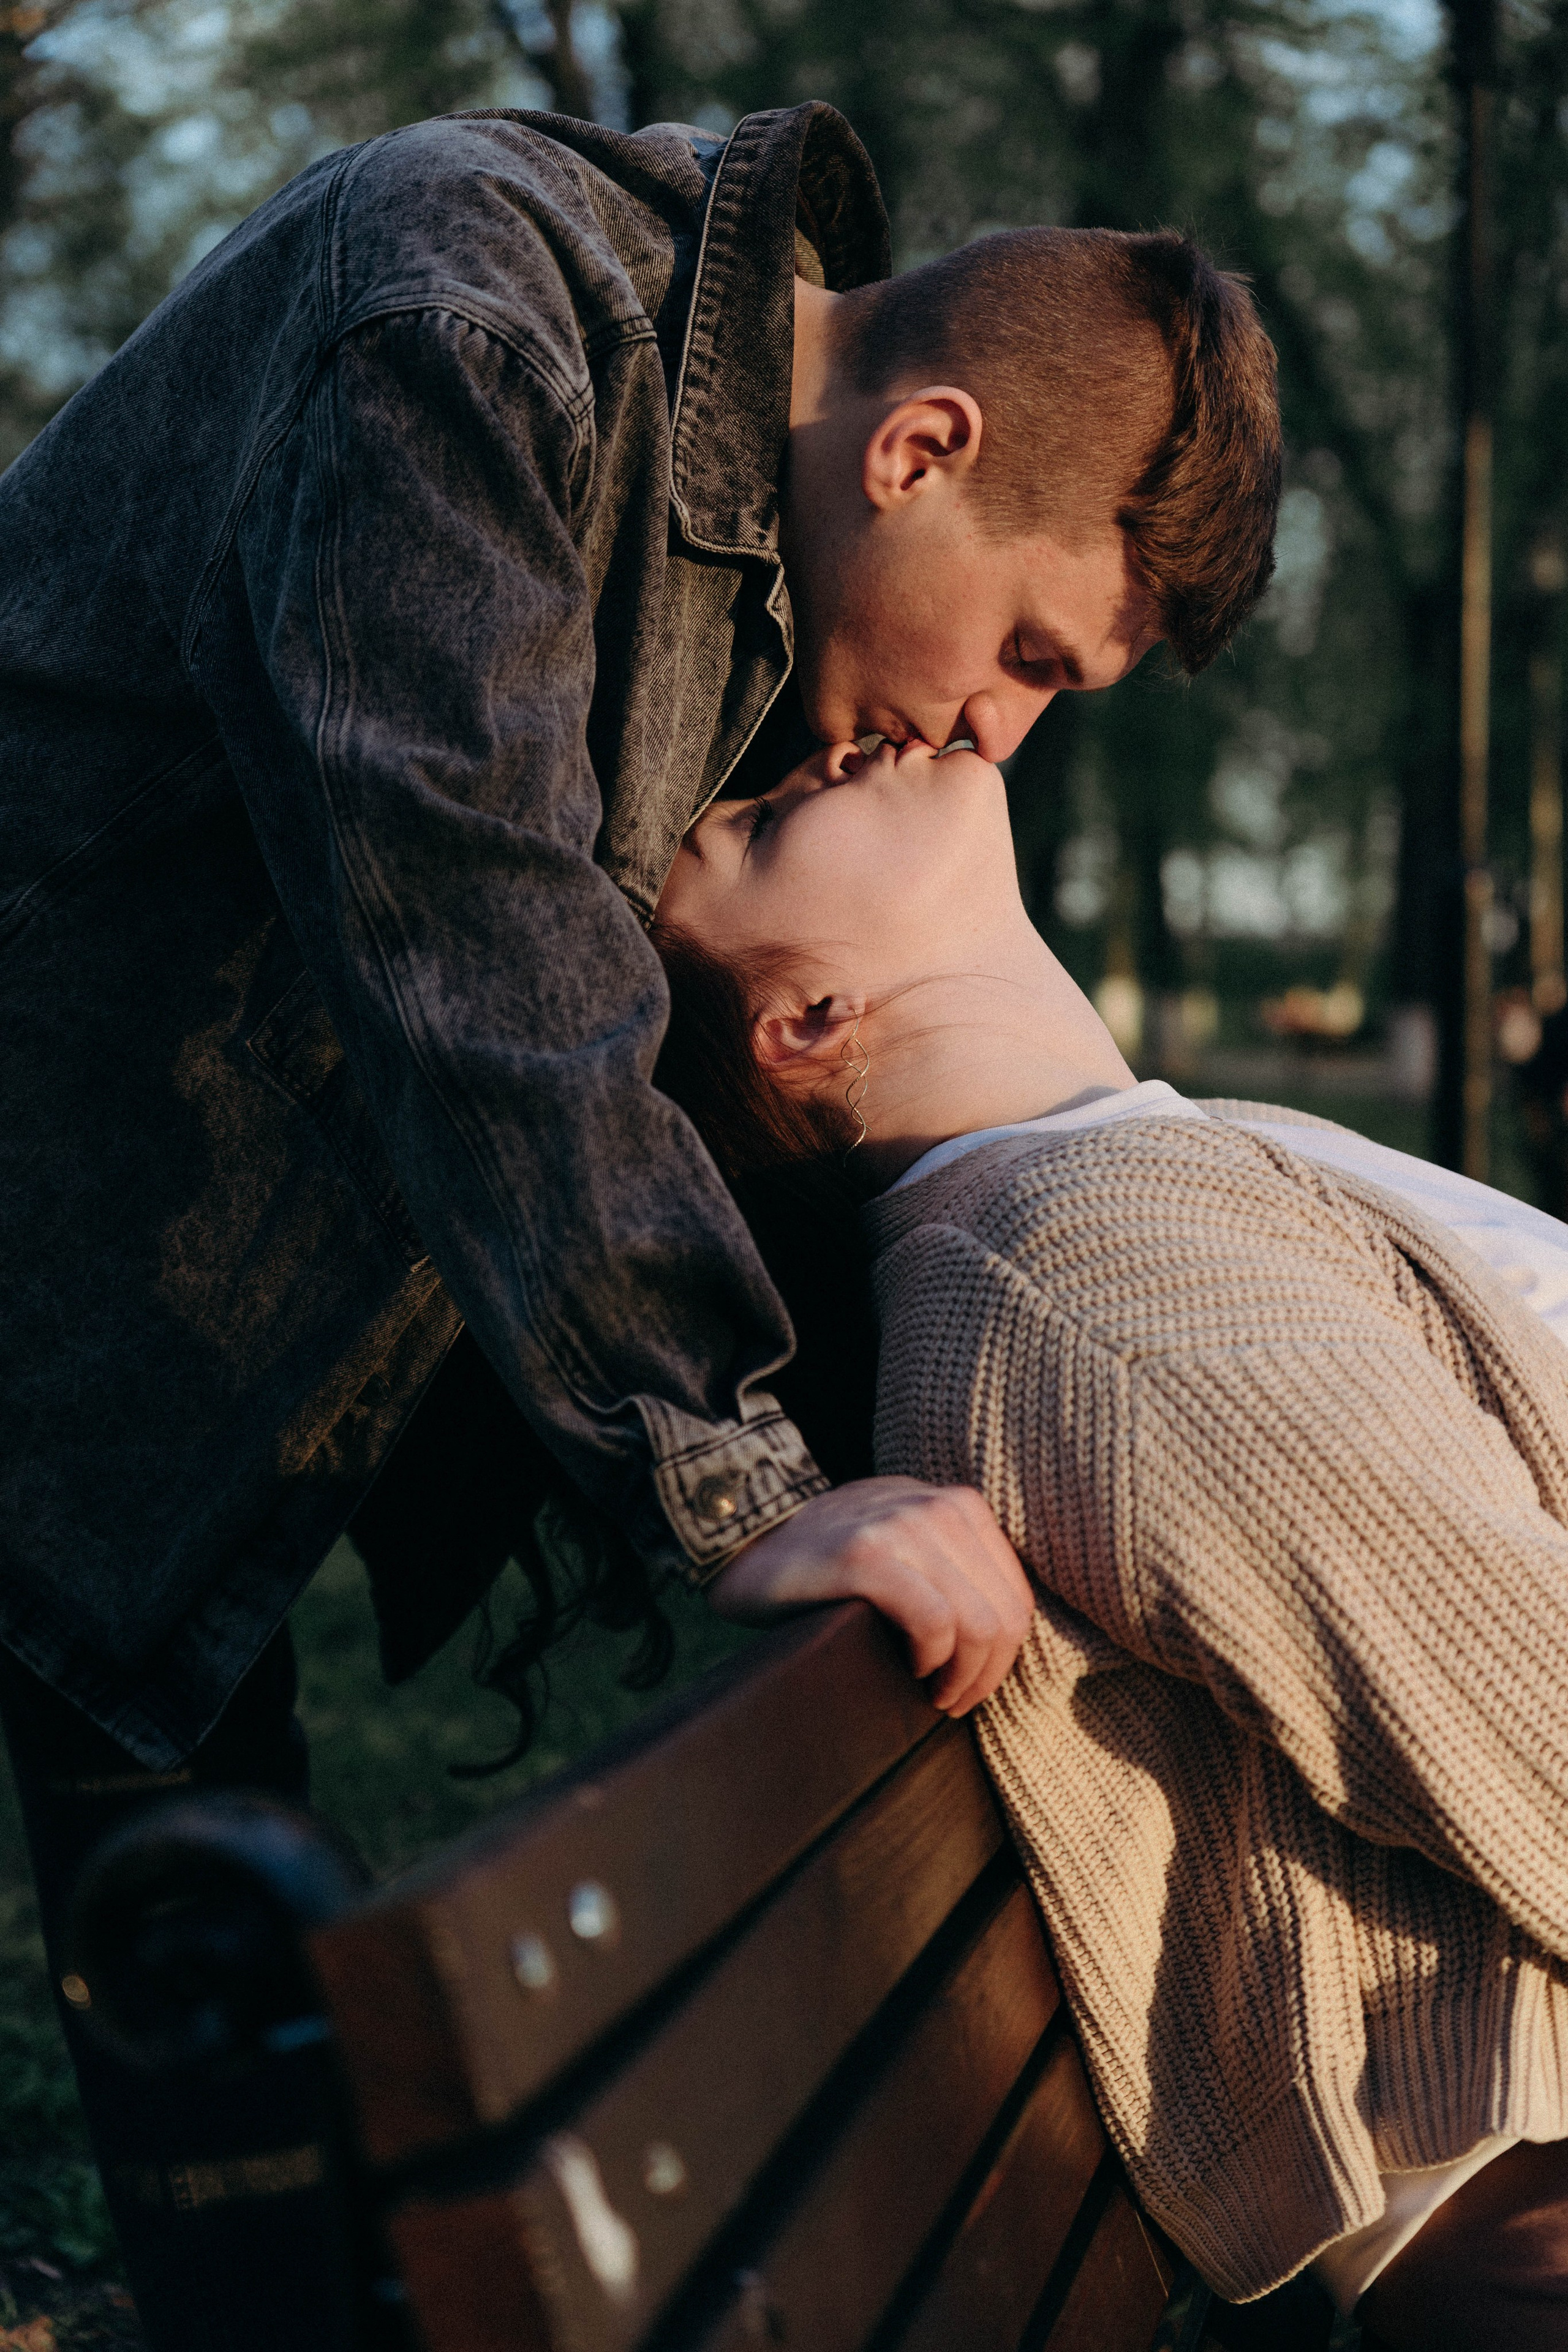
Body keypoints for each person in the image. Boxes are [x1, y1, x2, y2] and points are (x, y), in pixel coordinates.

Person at [0, 94, 1279, 2347]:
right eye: (1033, 663)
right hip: (64, 1300)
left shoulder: (752, 551)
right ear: (922, 449)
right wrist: (730, 1461)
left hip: (144, 1437)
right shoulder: (466, 308)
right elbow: (466, 902)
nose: (991, 740)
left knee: (239, 2199)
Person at [653, 730, 1568, 2350]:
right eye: (765, 817)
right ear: (804, 1023)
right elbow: (1523, 1694)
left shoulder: (1099, 1199)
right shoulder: (1087, 1283)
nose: (834, 739)